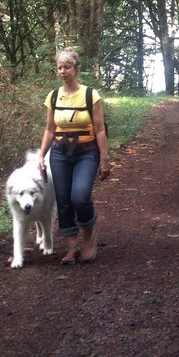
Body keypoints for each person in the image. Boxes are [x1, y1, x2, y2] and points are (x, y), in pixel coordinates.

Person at [37, 47, 111, 264]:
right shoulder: (53, 96)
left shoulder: (90, 95)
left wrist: (105, 159)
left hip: (87, 152)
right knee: (63, 200)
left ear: (76, 69)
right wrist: (41, 155)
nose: (62, 71)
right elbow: (50, 129)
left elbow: (99, 129)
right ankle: (71, 247)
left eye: (67, 67)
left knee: (79, 196)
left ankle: (88, 234)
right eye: (59, 67)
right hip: (60, 153)